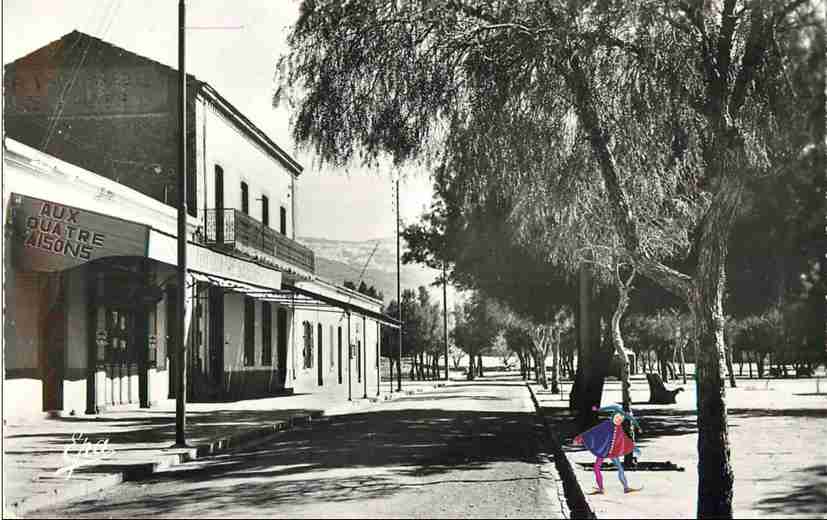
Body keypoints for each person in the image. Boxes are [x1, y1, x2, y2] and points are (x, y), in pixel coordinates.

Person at [573, 404, 642, 494]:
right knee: (597, 468)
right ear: (613, 417)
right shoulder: (607, 424)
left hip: (613, 451)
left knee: (620, 468)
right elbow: (594, 431)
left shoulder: (619, 428)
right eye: (617, 418)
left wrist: (635, 445)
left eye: (621, 420)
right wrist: (579, 438)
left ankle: (626, 487)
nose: (618, 420)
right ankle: (601, 488)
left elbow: (625, 440)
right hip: (603, 450)